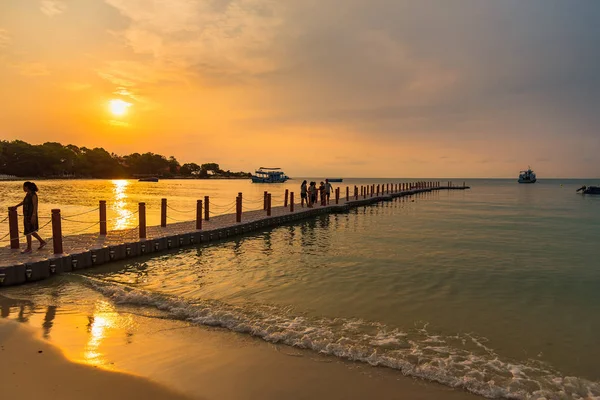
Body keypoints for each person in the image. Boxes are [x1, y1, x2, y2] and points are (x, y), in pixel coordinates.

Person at [13, 181, 46, 253]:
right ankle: (42, 241)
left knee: (28, 231)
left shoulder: (33, 195)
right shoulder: (28, 194)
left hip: (31, 215)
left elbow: (35, 206)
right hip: (26, 215)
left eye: (24, 187)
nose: (23, 188)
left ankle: (29, 248)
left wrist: (33, 216)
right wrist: (16, 206)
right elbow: (23, 202)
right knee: (31, 231)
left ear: (27, 187)